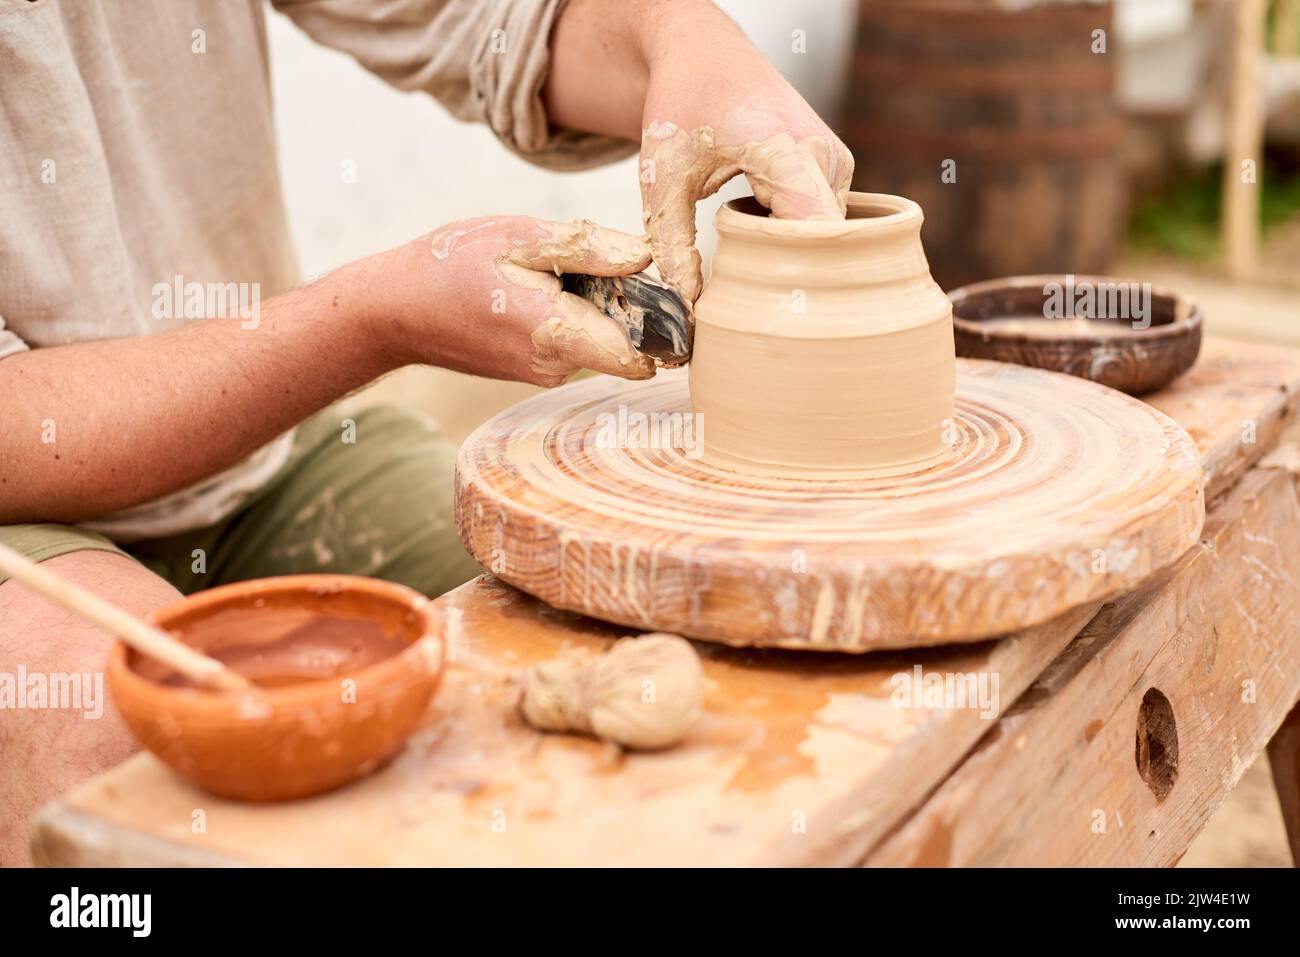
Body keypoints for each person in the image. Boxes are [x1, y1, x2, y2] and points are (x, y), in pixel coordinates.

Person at [0, 0, 852, 865]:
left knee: (590, 596)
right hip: (18, 507)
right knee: (139, 741)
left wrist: (682, 41)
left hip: (252, 444)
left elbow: (487, 18)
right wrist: (371, 319)